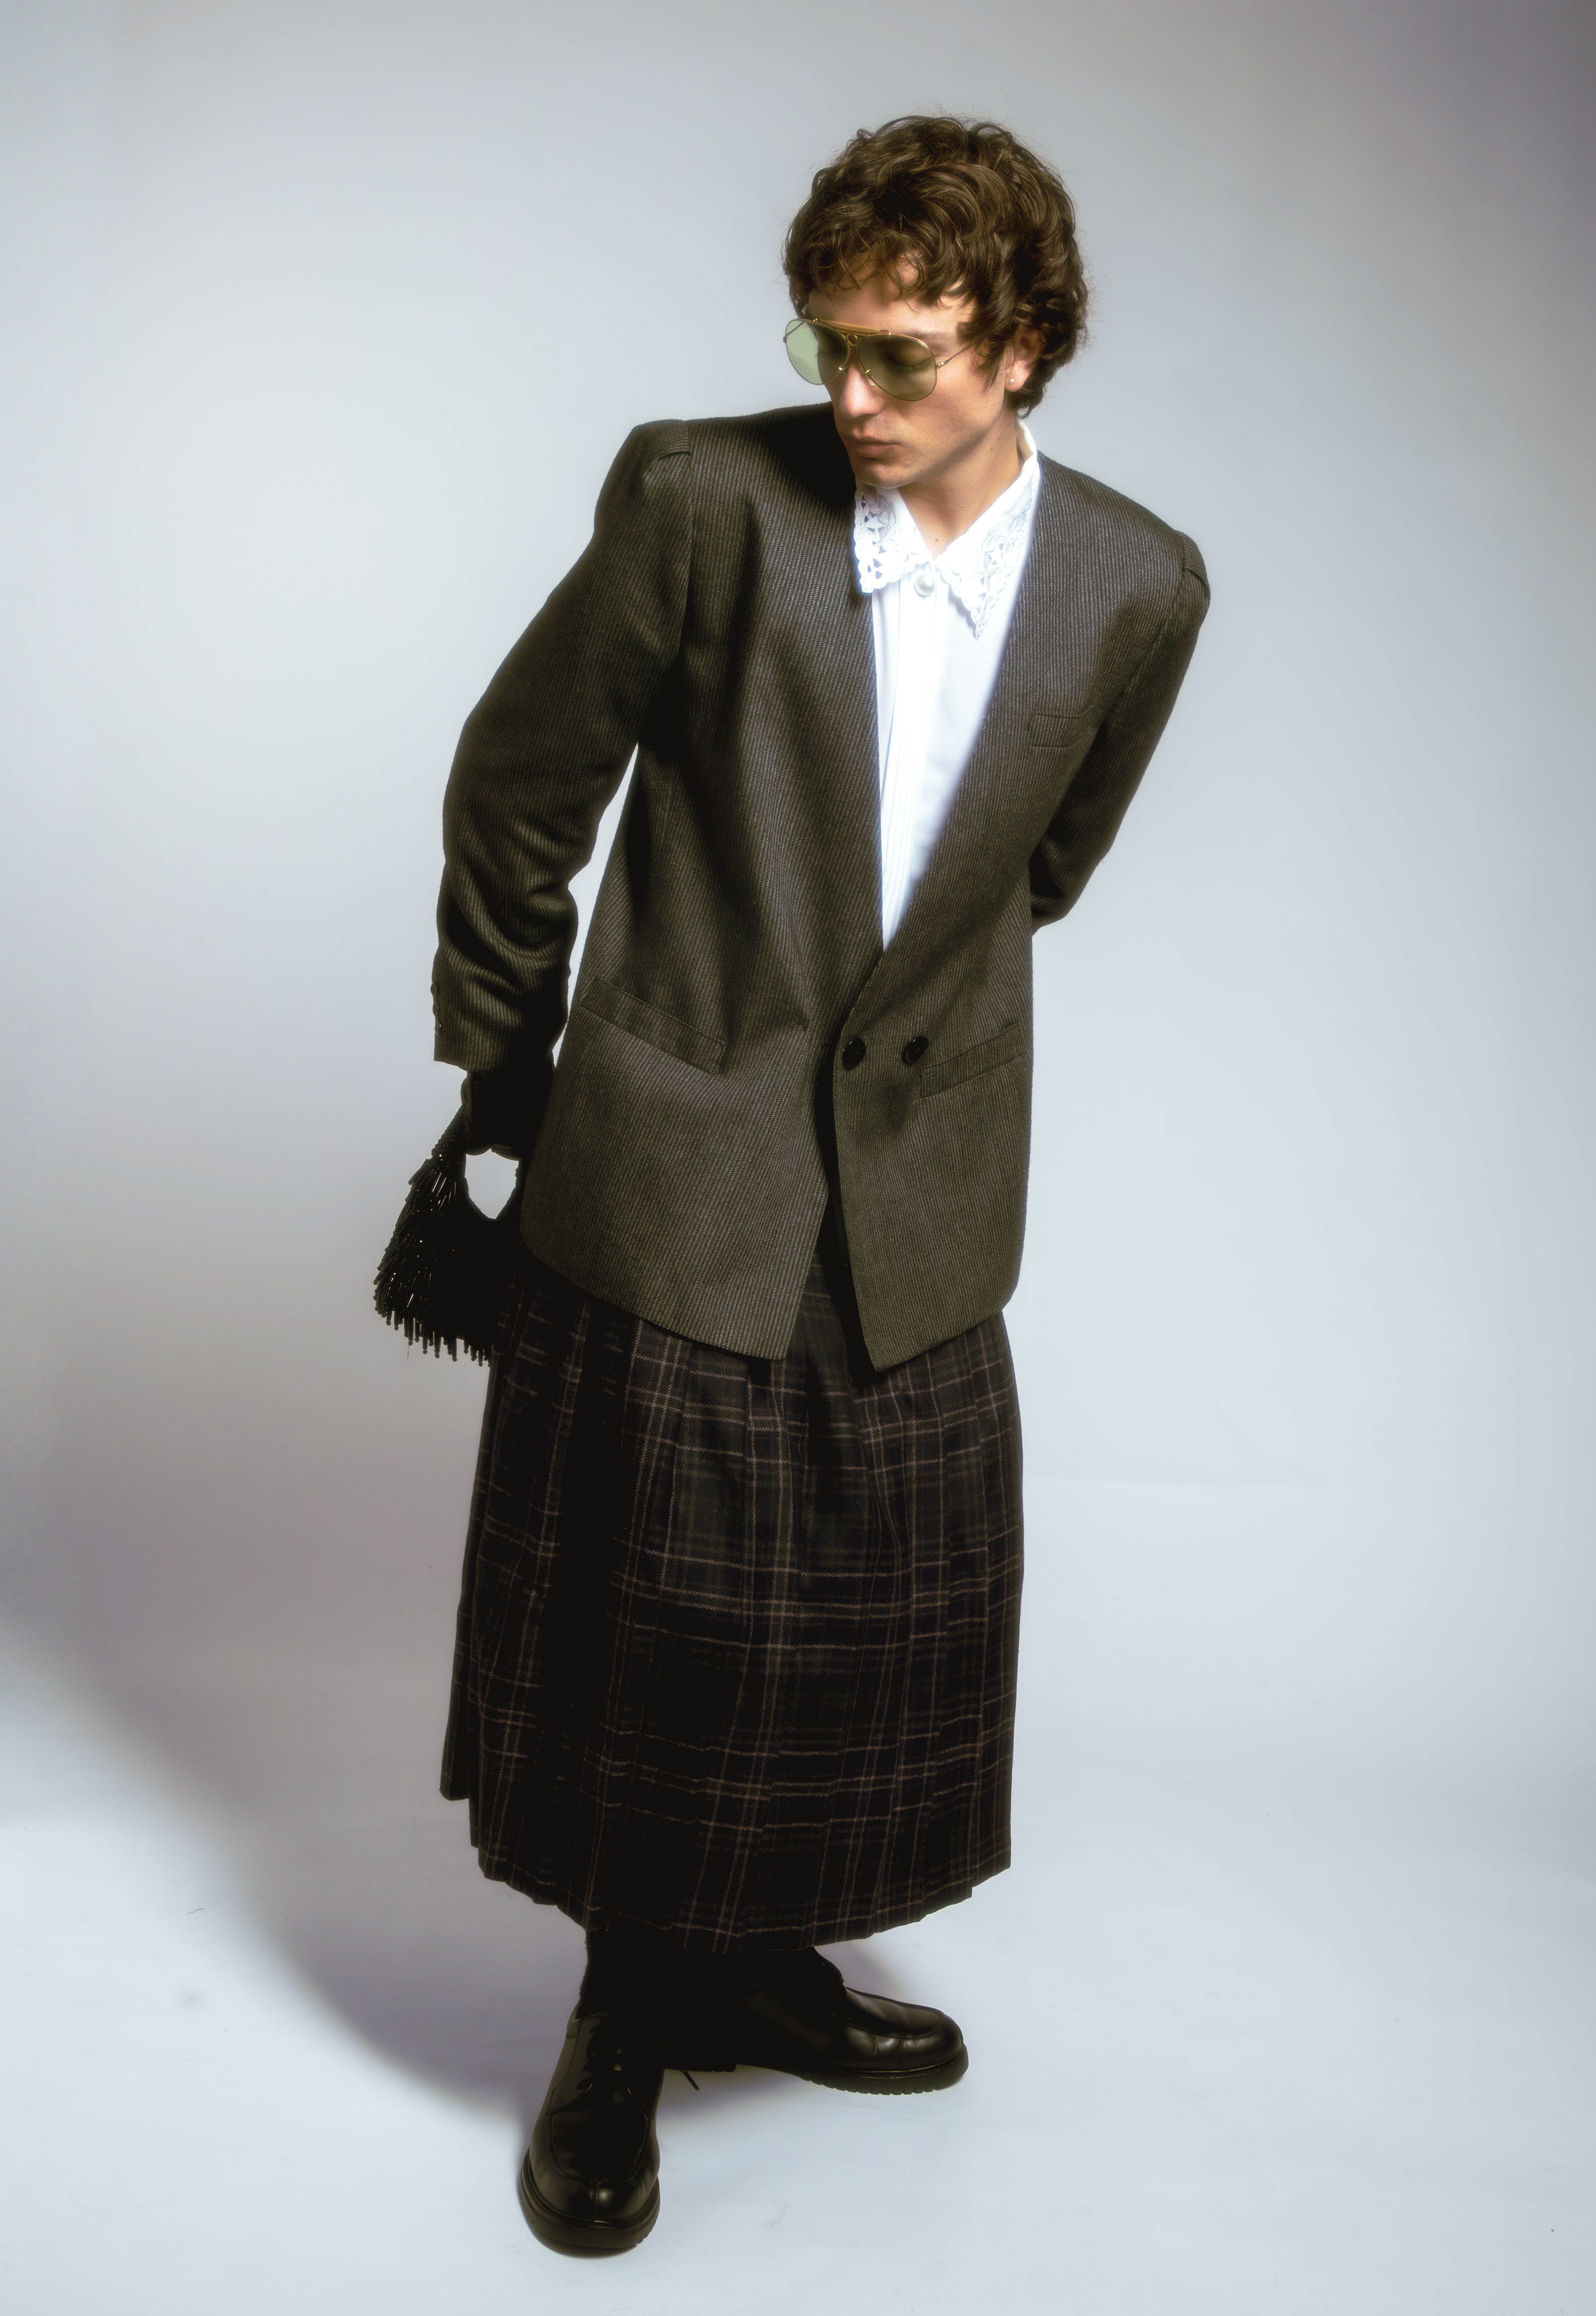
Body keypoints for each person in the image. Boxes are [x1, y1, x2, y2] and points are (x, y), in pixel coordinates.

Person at [430, 114, 1209, 2254]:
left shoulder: (1141, 587)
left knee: (865, 1636)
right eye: (827, 346)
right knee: (656, 1631)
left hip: (920, 1196)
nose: (851, 396)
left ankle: (755, 1967)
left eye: (904, 355)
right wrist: (512, 1065)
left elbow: (1043, 871)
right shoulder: (702, 501)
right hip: (672, 1168)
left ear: (1025, 347)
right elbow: (518, 788)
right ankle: (623, 2018)